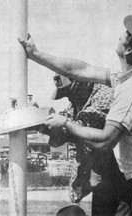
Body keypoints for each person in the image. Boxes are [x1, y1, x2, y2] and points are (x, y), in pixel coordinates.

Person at [19, 15, 132, 215]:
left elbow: (105, 140)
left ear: (129, 50)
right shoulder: (131, 76)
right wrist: (35, 54)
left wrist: (66, 123)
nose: (122, 33)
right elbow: (80, 69)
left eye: (127, 34)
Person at [47, 73, 125, 216]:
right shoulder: (78, 102)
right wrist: (42, 124)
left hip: (122, 173)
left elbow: (82, 126)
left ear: (81, 84)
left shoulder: (105, 96)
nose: (68, 98)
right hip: (104, 175)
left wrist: (63, 123)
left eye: (69, 93)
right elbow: (60, 137)